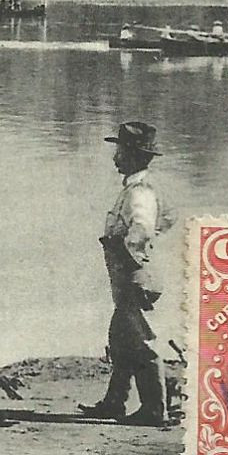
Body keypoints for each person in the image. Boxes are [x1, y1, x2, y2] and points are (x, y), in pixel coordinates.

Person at [80, 121, 175, 426]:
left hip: (134, 273)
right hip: (129, 272)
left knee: (140, 340)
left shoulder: (139, 192)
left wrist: (131, 252)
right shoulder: (139, 188)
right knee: (120, 338)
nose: (115, 157)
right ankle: (114, 402)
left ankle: (154, 409)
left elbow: (144, 228)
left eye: (119, 150)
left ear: (132, 154)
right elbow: (169, 216)